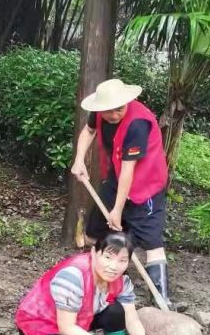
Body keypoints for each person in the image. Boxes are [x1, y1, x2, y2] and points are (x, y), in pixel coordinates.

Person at [70, 78, 171, 303]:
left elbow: (130, 170)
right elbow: (88, 131)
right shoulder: (99, 111)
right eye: (109, 112)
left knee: (151, 240)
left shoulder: (138, 123)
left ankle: (162, 300)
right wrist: (79, 160)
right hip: (116, 178)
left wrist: (117, 210)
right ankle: (104, 283)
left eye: (119, 109)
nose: (114, 115)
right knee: (95, 232)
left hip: (146, 185)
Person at [15, 232, 153, 335]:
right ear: (94, 253)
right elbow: (66, 328)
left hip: (79, 316)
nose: (114, 267)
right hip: (40, 324)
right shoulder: (73, 276)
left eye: (122, 260)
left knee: (116, 311)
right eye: (108, 257)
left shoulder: (122, 280)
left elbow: (131, 316)